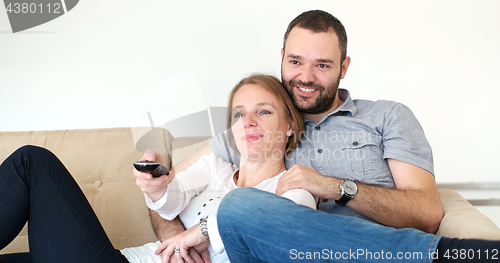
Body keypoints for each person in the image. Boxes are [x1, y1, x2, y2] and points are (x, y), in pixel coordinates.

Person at [149, 9, 444, 259]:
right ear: (282, 57)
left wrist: (335, 187)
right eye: (295, 62)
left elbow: (427, 213)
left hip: (366, 253)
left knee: (240, 206)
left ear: (344, 67)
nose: (305, 77)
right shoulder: (259, 126)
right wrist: (177, 246)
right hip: (280, 254)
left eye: (322, 65)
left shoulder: (387, 116)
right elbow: (164, 189)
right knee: (240, 206)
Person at [0, 74, 316, 263]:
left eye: (263, 111)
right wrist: (158, 185)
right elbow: (173, 198)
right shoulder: (217, 164)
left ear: (290, 124)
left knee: (32, 162)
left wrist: (201, 231)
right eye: (238, 114)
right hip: (126, 258)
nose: (248, 122)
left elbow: (264, 222)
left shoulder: (294, 189)